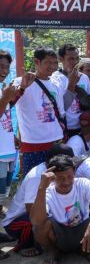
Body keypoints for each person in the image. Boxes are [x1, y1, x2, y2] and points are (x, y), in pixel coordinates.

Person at [31, 154, 90, 264]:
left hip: (83, 231)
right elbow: (36, 221)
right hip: (59, 236)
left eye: (70, 176)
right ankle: (52, 252)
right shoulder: (46, 192)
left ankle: (87, 249)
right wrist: (41, 188)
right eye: (61, 178)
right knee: (40, 226)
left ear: (74, 172)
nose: (66, 182)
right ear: (52, 178)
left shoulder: (83, 183)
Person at [1, 144, 74, 258]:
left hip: (33, 212)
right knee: (37, 221)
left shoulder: (58, 172)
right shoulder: (36, 176)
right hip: (16, 221)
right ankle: (24, 245)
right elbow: (31, 211)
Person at [13, 48, 64, 176]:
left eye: (55, 63)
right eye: (48, 62)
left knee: (55, 183)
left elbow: (60, 112)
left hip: (56, 141)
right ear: (37, 61)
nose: (52, 66)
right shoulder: (20, 82)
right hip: (32, 143)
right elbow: (7, 106)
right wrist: (23, 88)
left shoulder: (56, 83)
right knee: (32, 182)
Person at [51, 44, 90, 136]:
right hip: (65, 127)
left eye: (77, 58)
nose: (75, 62)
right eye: (70, 59)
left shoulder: (84, 77)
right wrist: (72, 85)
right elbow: (60, 107)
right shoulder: (55, 79)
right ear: (61, 59)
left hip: (84, 126)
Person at [0, 51, 17, 216]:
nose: (4, 70)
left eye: (6, 67)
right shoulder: (4, 93)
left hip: (7, 149)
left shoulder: (2, 89)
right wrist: (5, 98)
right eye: (0, 66)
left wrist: (13, 138)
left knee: (2, 196)